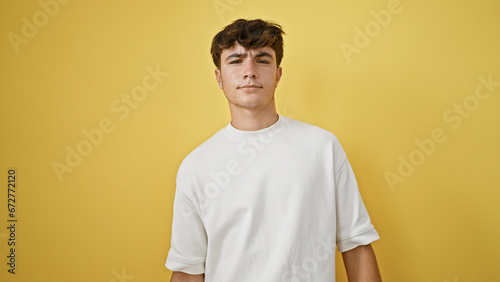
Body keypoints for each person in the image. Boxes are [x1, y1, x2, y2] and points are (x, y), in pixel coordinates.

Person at [165, 19, 382, 282]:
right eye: (236, 60)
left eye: (262, 60)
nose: (250, 71)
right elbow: (188, 270)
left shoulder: (323, 147)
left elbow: (356, 245)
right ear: (219, 78)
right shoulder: (196, 166)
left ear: (278, 74)